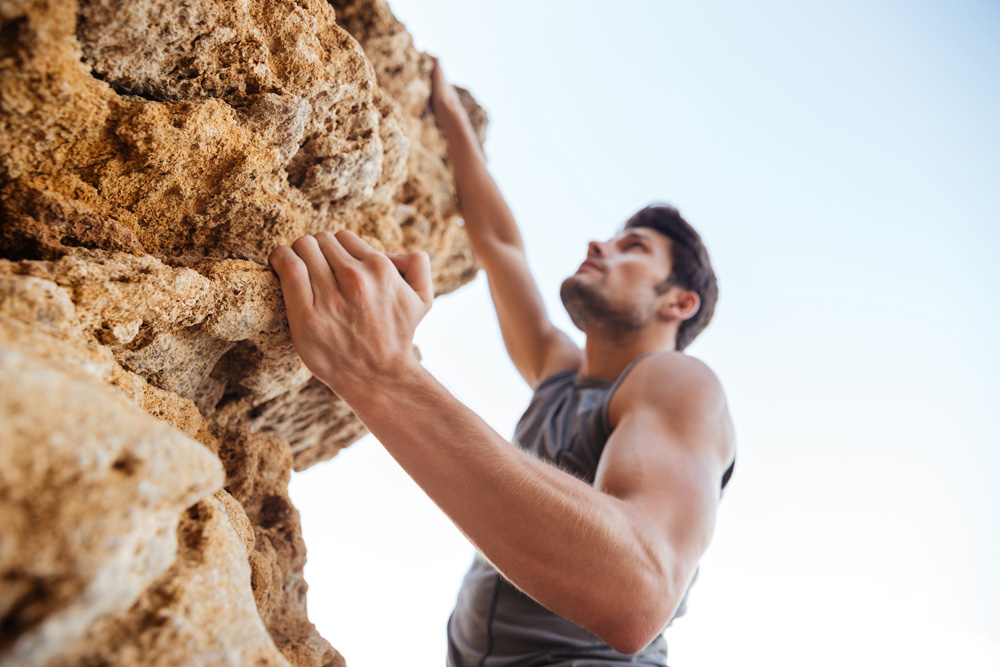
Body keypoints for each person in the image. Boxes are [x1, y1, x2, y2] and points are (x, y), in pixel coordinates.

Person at [268, 58, 736, 666]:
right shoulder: (559, 372)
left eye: (634, 248)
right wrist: (452, 121)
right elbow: (501, 245)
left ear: (679, 301)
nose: (600, 243)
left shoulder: (679, 383)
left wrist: (384, 374)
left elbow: (637, 589)